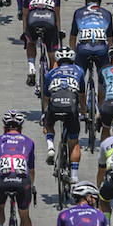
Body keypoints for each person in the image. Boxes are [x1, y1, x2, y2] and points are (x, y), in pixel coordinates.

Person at [0, 110, 36, 226]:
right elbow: (31, 171)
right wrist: (31, 186)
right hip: (22, 181)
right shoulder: (29, 142)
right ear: (21, 128)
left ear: (4, 127)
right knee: (24, 214)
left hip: (2, 180)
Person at [43, 45, 85, 179]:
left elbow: (46, 98)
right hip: (71, 106)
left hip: (55, 104)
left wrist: (45, 114)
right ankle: (74, 177)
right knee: (74, 143)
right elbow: (82, 95)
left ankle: (50, 147)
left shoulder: (50, 74)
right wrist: (84, 112)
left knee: (48, 125)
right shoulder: (79, 71)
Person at [22, 0, 61, 87]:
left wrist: (25, 33)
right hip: (49, 19)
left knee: (31, 42)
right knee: (52, 55)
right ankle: (53, 82)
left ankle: (31, 68)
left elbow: (25, 14)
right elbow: (57, 13)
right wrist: (58, 32)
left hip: (33, 19)